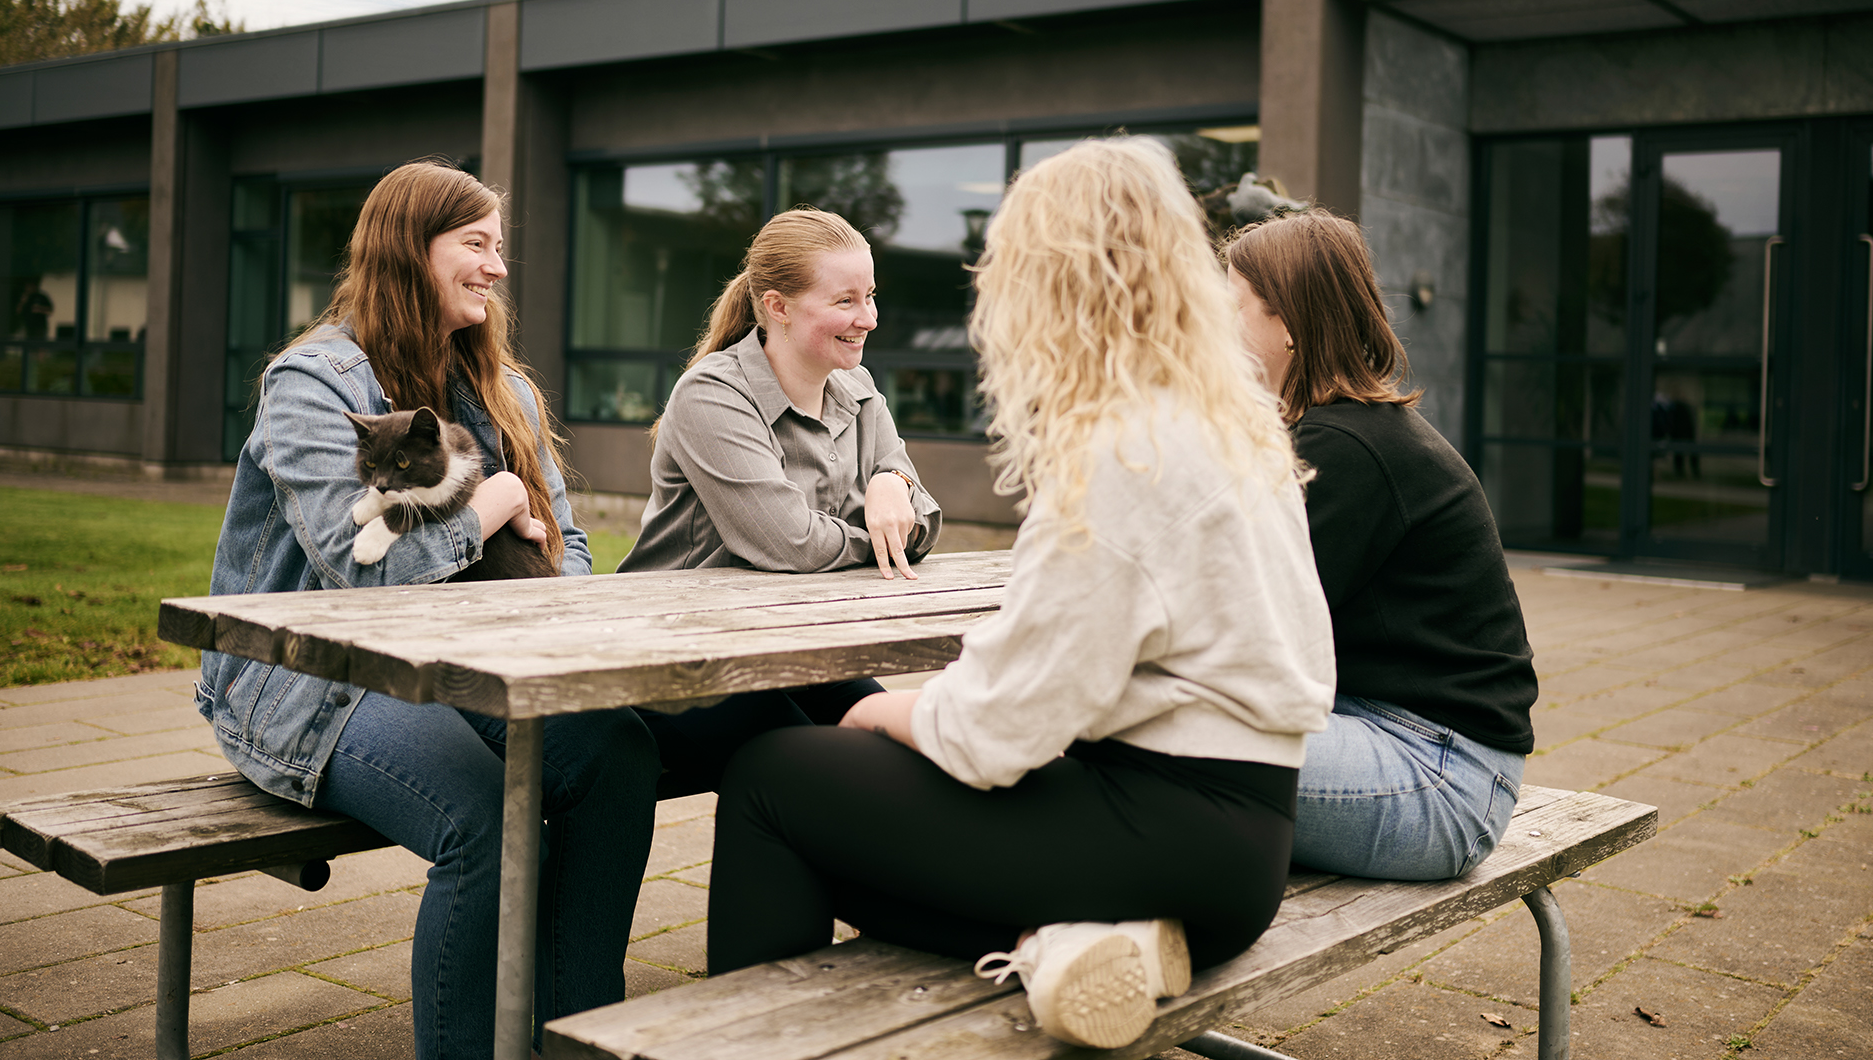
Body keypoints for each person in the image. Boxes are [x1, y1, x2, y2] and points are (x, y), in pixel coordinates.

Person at [703, 141, 1334, 1050]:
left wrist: (887, 717)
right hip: (1243, 849)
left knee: (775, 776)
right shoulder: (1228, 423)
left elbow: (1003, 729)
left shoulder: (1128, 448)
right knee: (844, 851)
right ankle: (1068, 944)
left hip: (1164, 836)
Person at [195, 162, 660, 1060]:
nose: (497, 267)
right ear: (411, 253)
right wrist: (488, 510)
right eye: (476, 246)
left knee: (616, 754)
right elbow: (365, 577)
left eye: (499, 248)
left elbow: (571, 550)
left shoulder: (502, 390)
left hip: (467, 671)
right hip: (312, 680)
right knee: (481, 818)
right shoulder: (315, 385)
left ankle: (573, 1036)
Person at [1222, 209, 1537, 881]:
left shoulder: (1345, 450)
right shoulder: (1344, 434)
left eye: (1233, 308)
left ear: (1288, 325)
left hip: (1441, 777)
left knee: (1163, 741)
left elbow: (1239, 624)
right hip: (1395, 736)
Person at [618, 206, 942, 795]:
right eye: (845, 301)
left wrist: (892, 482)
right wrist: (885, 527)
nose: (867, 318)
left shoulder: (858, 390)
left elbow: (923, 519)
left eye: (869, 296)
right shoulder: (711, 396)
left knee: (915, 751)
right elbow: (789, 542)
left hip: (789, 650)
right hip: (684, 662)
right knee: (830, 777)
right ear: (777, 306)